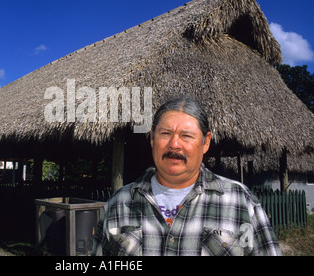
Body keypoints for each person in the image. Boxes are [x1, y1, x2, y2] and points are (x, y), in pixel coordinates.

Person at [92, 96, 282, 256]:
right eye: (165, 133)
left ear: (205, 142)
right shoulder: (119, 203)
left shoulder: (240, 201)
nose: (174, 144)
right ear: (152, 138)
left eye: (186, 136)